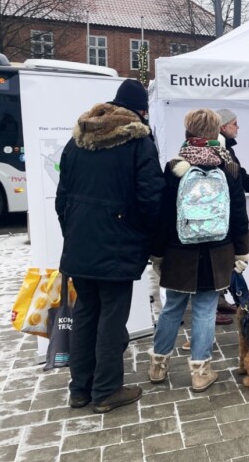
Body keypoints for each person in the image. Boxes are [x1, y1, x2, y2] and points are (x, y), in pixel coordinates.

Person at [56, 78, 165, 414]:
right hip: (117, 245)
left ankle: (80, 390)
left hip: (80, 243)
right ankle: (105, 391)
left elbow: (62, 197)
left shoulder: (78, 140)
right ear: (141, 112)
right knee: (111, 318)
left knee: (86, 312)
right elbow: (152, 199)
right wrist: (149, 239)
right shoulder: (138, 142)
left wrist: (72, 231)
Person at [148, 109, 249, 392]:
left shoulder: (174, 168)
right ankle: (200, 372)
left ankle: (158, 366)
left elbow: (163, 215)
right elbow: (239, 214)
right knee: (205, 310)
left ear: (188, 131)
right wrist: (242, 253)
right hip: (218, 252)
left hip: (179, 251)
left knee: (172, 308)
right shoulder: (228, 167)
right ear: (216, 132)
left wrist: (157, 253)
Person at [207, 108, 249, 323]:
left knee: (222, 258)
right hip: (217, 213)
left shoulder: (224, 147)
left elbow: (238, 173)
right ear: (223, 127)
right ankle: (212, 308)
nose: (238, 127)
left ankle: (219, 301)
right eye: (235, 124)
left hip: (221, 211)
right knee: (217, 258)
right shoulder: (216, 148)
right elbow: (237, 176)